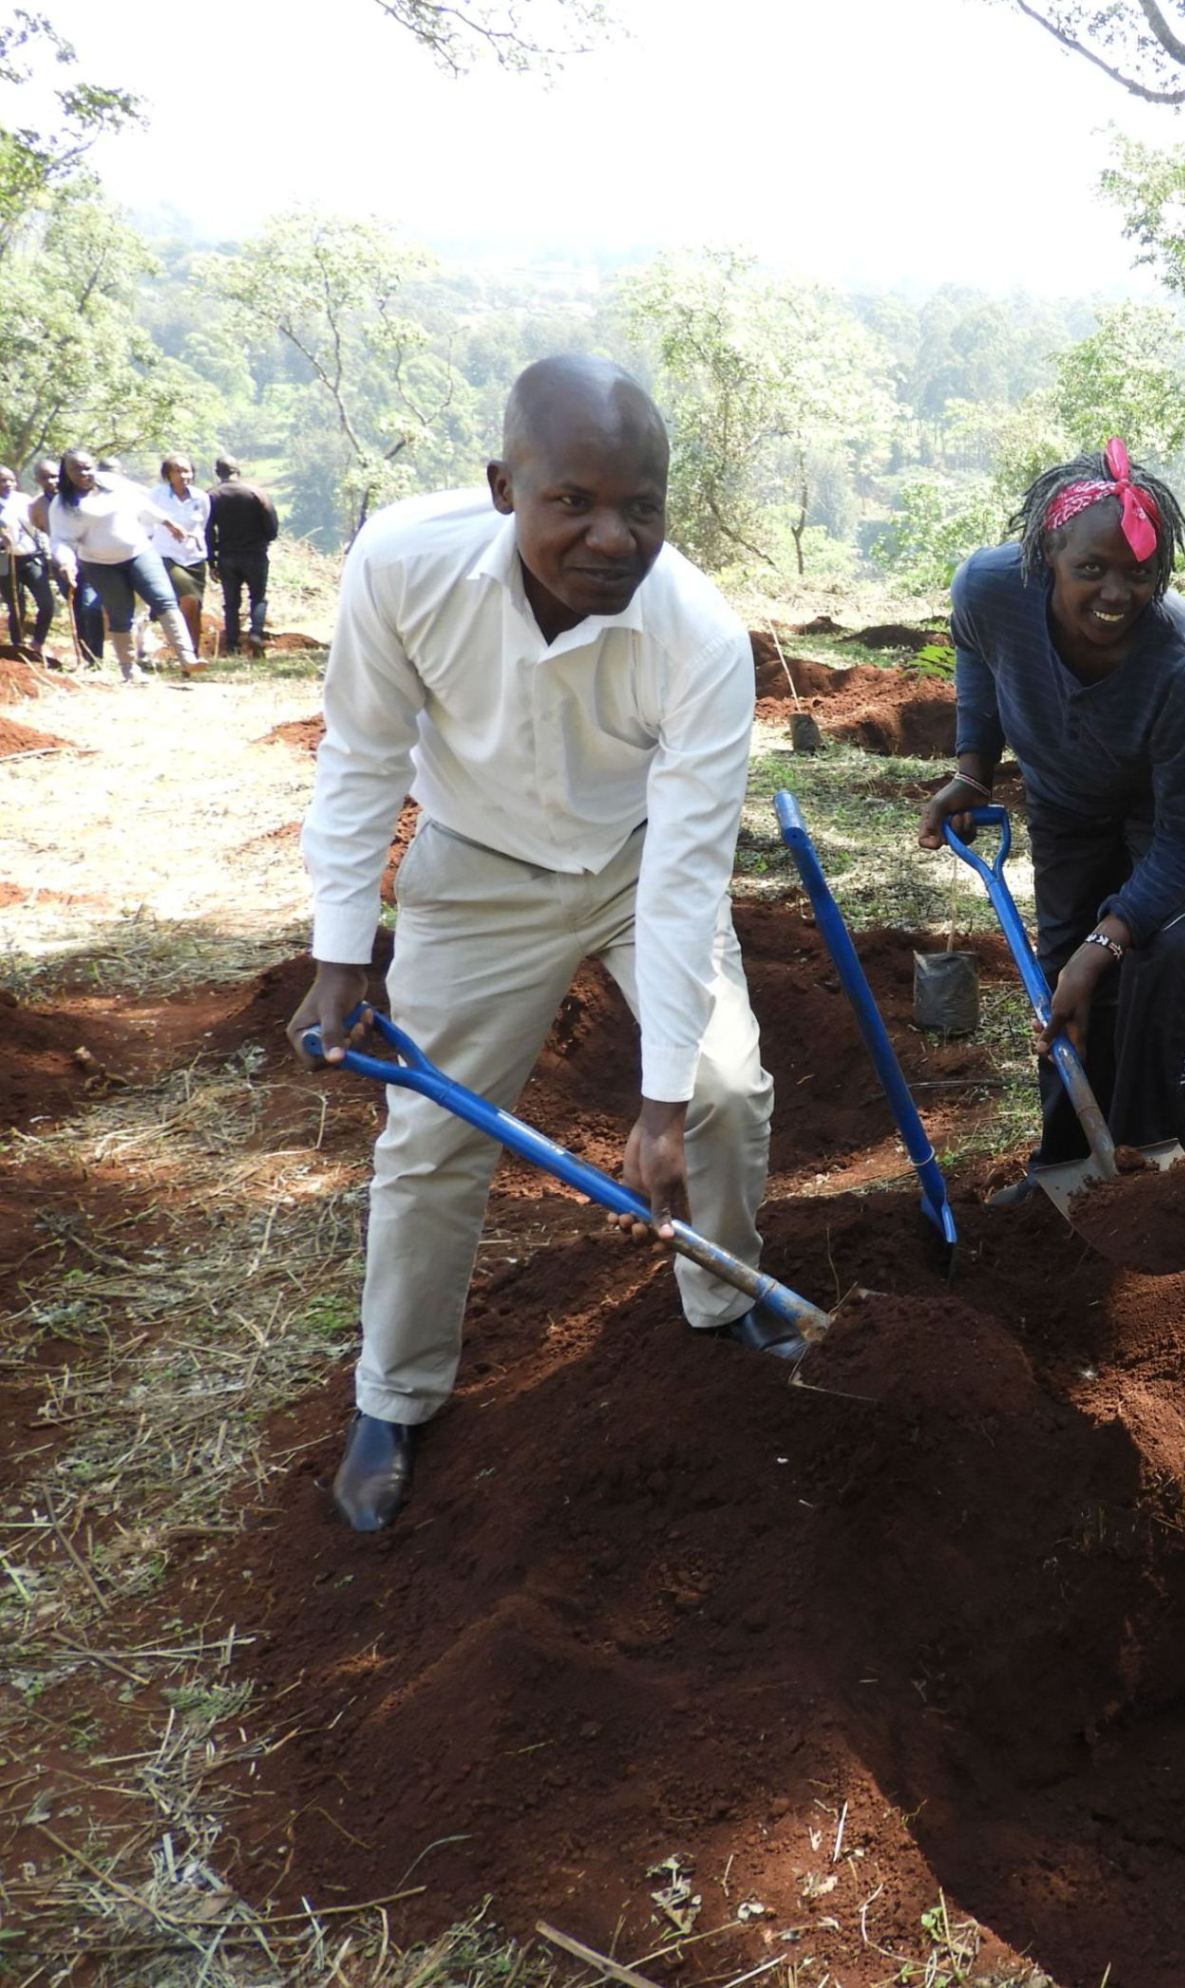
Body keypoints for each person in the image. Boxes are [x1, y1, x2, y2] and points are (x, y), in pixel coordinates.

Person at [289, 355, 785, 1535]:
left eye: (642, 508)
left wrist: (660, 1097)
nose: (611, 536)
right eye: (574, 501)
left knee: (722, 1087)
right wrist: (342, 946)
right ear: (505, 484)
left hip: (633, 864)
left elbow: (684, 876)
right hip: (474, 868)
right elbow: (361, 755)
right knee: (432, 1134)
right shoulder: (403, 565)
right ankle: (394, 1393)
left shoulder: (700, 637)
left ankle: (723, 1298)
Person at [918, 441, 1185, 1198]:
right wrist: (974, 765)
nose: (1115, 592)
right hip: (1066, 788)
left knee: (1156, 954)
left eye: (1139, 574)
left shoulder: (1183, 667)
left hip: (1173, 800)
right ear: (1046, 557)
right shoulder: (988, 587)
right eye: (1090, 569)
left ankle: (1152, 1161)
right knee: (1061, 970)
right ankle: (1066, 1162)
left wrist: (1110, 942)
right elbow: (975, 649)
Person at [46, 451, 196, 681]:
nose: (84, 473)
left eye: (87, 467)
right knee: (120, 613)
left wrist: (168, 522)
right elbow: (60, 540)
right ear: (66, 473)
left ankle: (187, 658)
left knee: (164, 599)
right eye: (77, 469)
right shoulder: (62, 505)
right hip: (100, 564)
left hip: (138, 552)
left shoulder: (113, 484)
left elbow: (142, 504)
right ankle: (129, 669)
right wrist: (66, 562)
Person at [26, 461, 102, 667]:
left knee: (91, 607)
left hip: (92, 558)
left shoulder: (83, 495)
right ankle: (85, 656)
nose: (52, 481)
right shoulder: (37, 505)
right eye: (45, 477)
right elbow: (40, 527)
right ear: (37, 480)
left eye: (55, 476)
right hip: (62, 563)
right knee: (76, 607)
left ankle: (97, 655)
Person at [206, 454, 279, 655]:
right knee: (258, 597)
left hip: (227, 556)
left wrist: (211, 561)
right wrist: (262, 540)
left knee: (231, 603)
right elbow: (272, 527)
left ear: (217, 473)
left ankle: (232, 645)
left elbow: (208, 531)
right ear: (238, 470)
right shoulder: (257, 493)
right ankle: (255, 633)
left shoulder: (211, 496)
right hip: (255, 554)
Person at [148, 455, 211, 660]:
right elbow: (147, 523)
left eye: (187, 471)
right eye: (178, 471)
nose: (184, 475)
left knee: (195, 606)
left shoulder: (200, 497)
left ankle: (191, 651)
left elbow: (203, 525)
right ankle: (185, 651)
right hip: (168, 555)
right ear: (168, 474)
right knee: (188, 600)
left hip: (194, 557)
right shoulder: (156, 496)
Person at [0, 466, 54, 663]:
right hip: (5, 561)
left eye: (11, 480)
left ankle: (38, 642)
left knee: (47, 604)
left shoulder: (25, 500)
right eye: (2, 481)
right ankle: (17, 646)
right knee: (16, 607)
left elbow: (39, 525)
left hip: (31, 558)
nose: (7, 484)